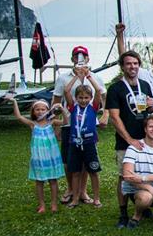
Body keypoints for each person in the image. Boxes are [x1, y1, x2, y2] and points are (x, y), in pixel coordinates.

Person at [106, 50, 153, 228]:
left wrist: (151, 107)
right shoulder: (115, 88)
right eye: (128, 64)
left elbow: (147, 114)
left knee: (143, 174)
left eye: (135, 63)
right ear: (122, 66)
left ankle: (142, 207)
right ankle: (123, 213)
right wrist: (129, 140)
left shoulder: (145, 85)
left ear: (139, 65)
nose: (132, 67)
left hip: (145, 141)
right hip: (126, 142)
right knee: (124, 176)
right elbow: (115, 118)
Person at [51, 45, 106, 204]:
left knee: (87, 161)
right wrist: (56, 126)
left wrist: (105, 115)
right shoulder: (63, 78)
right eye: (76, 56)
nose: (79, 59)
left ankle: (83, 191)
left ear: (88, 59)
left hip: (88, 128)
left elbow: (102, 96)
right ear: (72, 59)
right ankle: (71, 190)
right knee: (69, 161)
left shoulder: (96, 77)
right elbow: (57, 101)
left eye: (83, 56)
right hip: (69, 126)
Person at [9, 96, 67, 213]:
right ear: (33, 111)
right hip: (38, 157)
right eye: (37, 109)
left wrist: (62, 109)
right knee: (39, 182)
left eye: (43, 109)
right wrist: (14, 101)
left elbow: (65, 122)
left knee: (53, 181)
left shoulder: (52, 122)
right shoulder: (33, 124)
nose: (40, 111)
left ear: (47, 110)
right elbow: (19, 117)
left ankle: (54, 204)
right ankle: (42, 205)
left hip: (51, 156)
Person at [63, 85, 106, 208]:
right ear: (76, 98)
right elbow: (66, 90)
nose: (83, 100)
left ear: (91, 98)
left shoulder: (93, 107)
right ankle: (75, 198)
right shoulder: (73, 108)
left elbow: (98, 90)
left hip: (89, 144)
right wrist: (77, 75)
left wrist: (88, 75)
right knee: (75, 173)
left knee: (93, 171)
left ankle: (96, 199)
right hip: (74, 143)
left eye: (86, 97)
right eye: (80, 97)